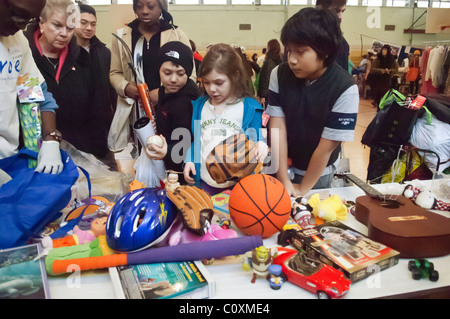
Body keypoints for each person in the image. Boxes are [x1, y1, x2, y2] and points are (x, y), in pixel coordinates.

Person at [266, 7, 359, 197]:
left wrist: (303, 188)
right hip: (282, 164)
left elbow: (326, 149)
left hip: (318, 173)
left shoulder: (345, 88)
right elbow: (277, 127)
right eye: (289, 50)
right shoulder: (279, 73)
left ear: (324, 52)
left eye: (300, 52)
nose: (291, 59)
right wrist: (283, 178)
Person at [24, 0, 110, 163]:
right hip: (30, 151)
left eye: (70, 28)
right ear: (41, 23)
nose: (64, 33)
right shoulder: (23, 57)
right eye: (57, 25)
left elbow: (97, 109)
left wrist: (96, 152)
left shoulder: (84, 61)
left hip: (78, 151)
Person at [108, 0, 195, 154]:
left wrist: (163, 93)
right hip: (135, 109)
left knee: (166, 153)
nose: (145, 11)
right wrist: (125, 87)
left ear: (161, 7)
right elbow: (115, 73)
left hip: (169, 110)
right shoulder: (122, 36)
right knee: (140, 154)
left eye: (150, 6)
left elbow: (190, 75)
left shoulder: (176, 34)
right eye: (139, 6)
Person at [183, 43, 268, 195]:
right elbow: (198, 139)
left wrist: (261, 144)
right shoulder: (200, 106)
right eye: (206, 82)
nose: (212, 89)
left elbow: (257, 135)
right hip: (205, 182)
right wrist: (189, 159)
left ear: (235, 76)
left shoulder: (249, 107)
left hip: (238, 186)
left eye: (219, 82)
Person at [0, 0, 63, 174]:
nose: (22, 26)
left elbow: (38, 95)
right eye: (18, 15)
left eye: (28, 19)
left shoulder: (17, 41)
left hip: (9, 161)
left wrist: (51, 139)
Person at [145, 41, 200, 184]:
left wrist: (166, 151)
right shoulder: (165, 91)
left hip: (183, 170)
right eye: (167, 73)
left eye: (181, 74)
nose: (173, 79)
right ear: (159, 70)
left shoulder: (187, 102)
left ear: (188, 73)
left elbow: (189, 142)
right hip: (168, 161)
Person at [74, 3, 117, 168]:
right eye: (83, 22)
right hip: (74, 130)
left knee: (107, 176)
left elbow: (111, 90)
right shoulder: (63, 53)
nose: (89, 28)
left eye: (93, 24)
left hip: (100, 128)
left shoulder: (104, 53)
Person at [316, 0, 349, 71]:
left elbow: (344, 77)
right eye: (336, 10)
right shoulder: (304, 37)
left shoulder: (343, 44)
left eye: (342, 11)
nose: (340, 17)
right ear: (320, 8)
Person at [257, 39, 282, 106]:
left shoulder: (268, 62)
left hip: (268, 94)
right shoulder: (279, 61)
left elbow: (265, 79)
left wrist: (263, 95)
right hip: (276, 91)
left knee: (267, 113)